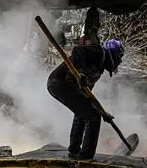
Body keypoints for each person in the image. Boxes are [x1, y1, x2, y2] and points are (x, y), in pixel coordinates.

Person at [47, 19, 124, 160]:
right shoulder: (99, 52)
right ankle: (86, 157)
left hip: (58, 85)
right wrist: (80, 73)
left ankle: (74, 151)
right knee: (93, 117)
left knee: (84, 113)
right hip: (60, 82)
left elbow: (87, 96)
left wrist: (104, 112)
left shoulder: (98, 70)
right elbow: (77, 51)